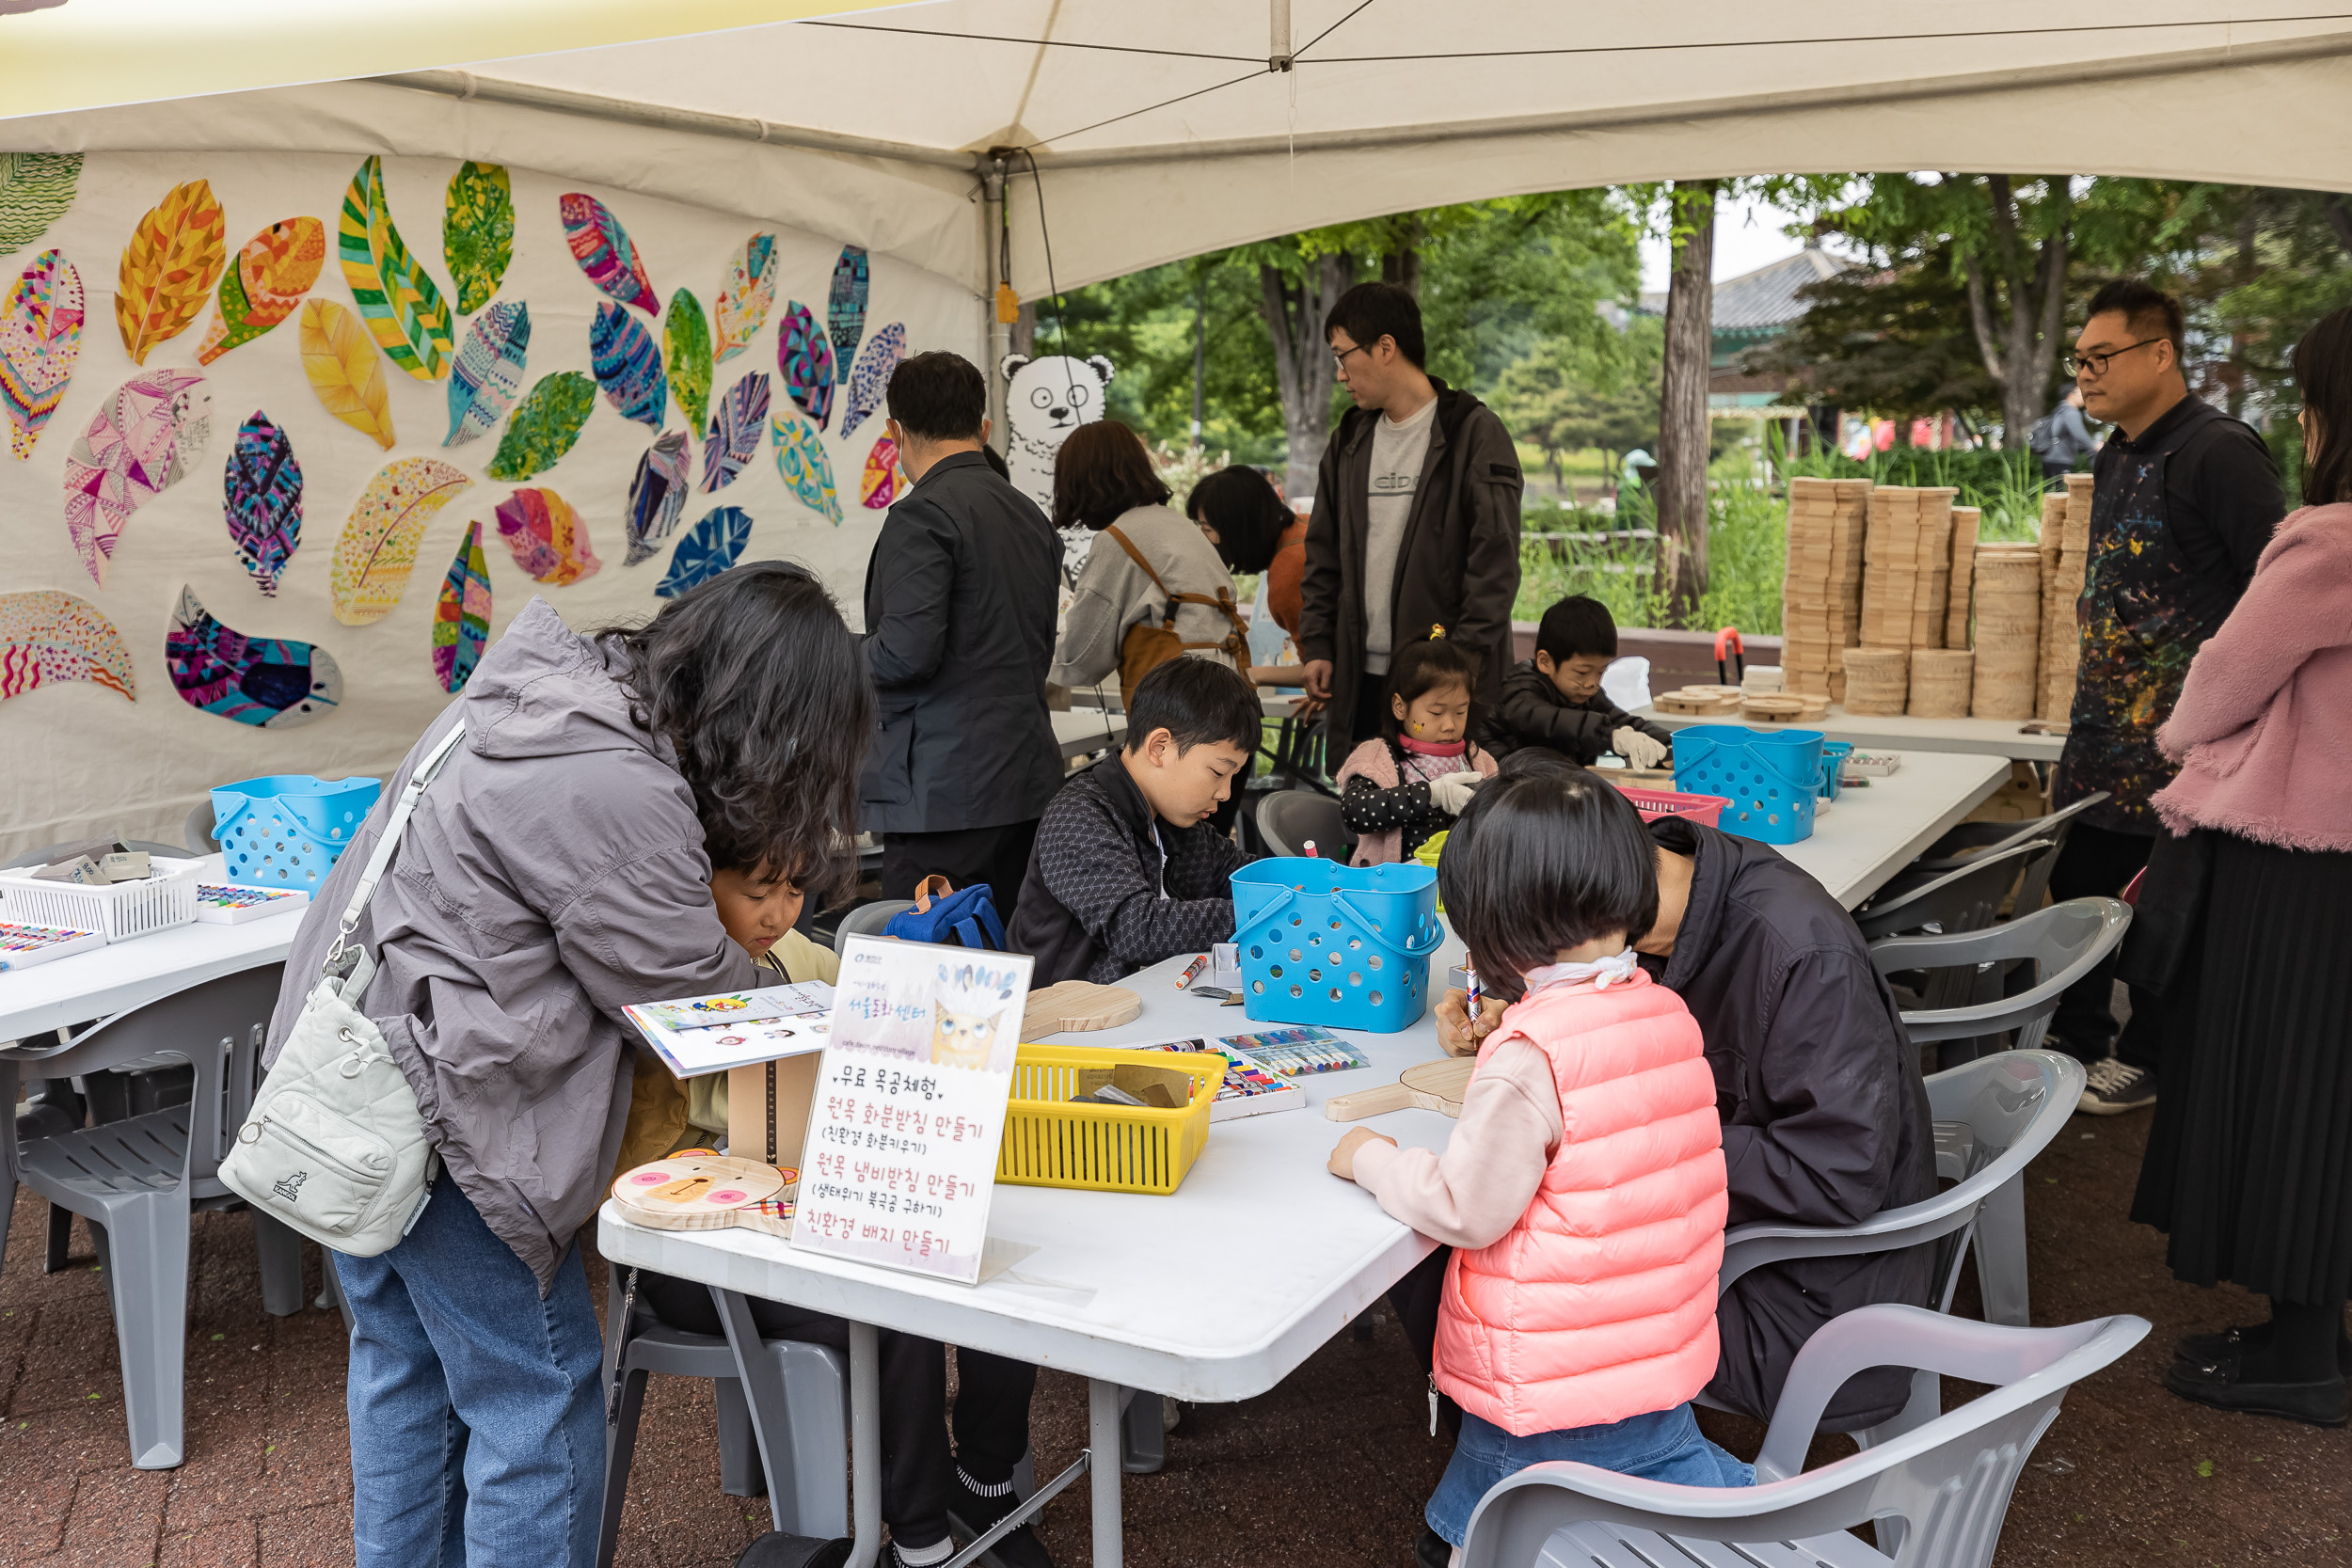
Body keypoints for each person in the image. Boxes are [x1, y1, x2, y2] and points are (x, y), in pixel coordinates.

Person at [262, 565, 872, 1567]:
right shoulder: (618, 783)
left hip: (348, 1074)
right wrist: (804, 989)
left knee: (405, 1369)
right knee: (535, 1399)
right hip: (446, 1114)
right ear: (775, 728)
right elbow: (695, 1001)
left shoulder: (553, 691)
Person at [1422, 748, 1935, 1433]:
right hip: (1720, 1237)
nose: (1511, 969)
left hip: (1803, 1296)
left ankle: (1519, 1494)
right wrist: (1516, 1008)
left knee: (1482, 1252)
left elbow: (1836, 1173)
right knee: (1484, 1217)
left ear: (1558, 906)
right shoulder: (1636, 912)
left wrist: (1625, 1132)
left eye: (1511, 947)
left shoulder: (1801, 954)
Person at [1328, 768, 1751, 1568]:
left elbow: (1465, 1206)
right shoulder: (1663, 1006)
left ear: (1494, 926)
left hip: (1545, 1395)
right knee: (1644, 1485)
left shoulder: (1529, 1056)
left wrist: (1374, 1159)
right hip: (1658, 1363)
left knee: (1480, 1534)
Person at [626, 854, 1053, 1568]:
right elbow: (728, 1109)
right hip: (687, 1247)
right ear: (699, 884)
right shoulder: (670, 970)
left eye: (794, 890)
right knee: (886, 1309)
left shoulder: (798, 955)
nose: (778, 912)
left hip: (794, 1216)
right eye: (756, 892)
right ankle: (923, 1538)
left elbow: (873, 1014)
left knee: (966, 1248)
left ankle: (980, 1478)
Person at [2128, 303, 2352, 1429]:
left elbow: (2218, 681)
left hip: (2296, 866)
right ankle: (2308, 1335)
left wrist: (2179, 742)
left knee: (2281, 1095)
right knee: (2329, 1099)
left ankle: (2303, 1357)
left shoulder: (2328, 541)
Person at [2051, 279, 2286, 1115]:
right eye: (2078, 360)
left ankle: (2149, 1054)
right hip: (2100, 734)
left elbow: (2279, 588)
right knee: (2078, 884)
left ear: (2161, 353)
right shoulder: (2117, 452)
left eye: (2101, 357)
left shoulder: (2219, 452)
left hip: (2185, 743)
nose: (2086, 374)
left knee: (2164, 904)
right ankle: (2075, 1042)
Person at [862, 350, 1065, 926]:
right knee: (1009, 958)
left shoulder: (921, 515)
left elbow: (905, 652)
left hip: (942, 794)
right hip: (1025, 778)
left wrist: (830, 655)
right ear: (984, 427)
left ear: (894, 432)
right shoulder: (1029, 514)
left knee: (926, 971)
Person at [1297, 280, 1523, 753]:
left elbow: (1494, 566)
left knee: (1449, 818)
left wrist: (1454, 670)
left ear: (1385, 347)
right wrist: (1318, 645)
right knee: (1365, 813)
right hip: (1361, 681)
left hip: (1442, 693)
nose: (1340, 374)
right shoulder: (1349, 441)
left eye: (1343, 356)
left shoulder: (1472, 432)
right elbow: (1321, 554)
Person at [1009, 657, 1259, 987]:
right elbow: (1136, 929)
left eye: (1233, 776)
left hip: (1148, 1002)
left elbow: (1244, 877)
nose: (1225, 792)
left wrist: (1309, 887)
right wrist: (1264, 911)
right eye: (1217, 772)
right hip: (1068, 1017)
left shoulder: (1175, 821)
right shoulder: (1078, 817)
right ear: (1160, 747)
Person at [1048, 420, 1248, 701]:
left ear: (1081, 483)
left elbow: (1079, 661)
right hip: (1230, 699)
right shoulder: (1180, 526)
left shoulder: (1118, 539)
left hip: (1178, 711)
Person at [1335, 638, 1499, 864]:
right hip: (1394, 887)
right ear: (1400, 707)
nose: (1449, 724)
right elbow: (1356, 811)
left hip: (1460, 885)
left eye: (1460, 712)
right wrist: (1433, 794)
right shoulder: (1377, 756)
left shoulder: (1478, 760)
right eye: (1436, 713)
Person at [1490, 594, 1674, 767]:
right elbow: (1550, 721)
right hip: (1510, 788)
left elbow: (1623, 723)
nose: (1592, 683)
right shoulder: (1518, 692)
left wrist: (1676, 745)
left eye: (1600, 672)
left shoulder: (1586, 694)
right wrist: (1611, 737)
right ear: (1545, 662)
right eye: (1581, 672)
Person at [1189, 464, 1312, 690]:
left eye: (1206, 529)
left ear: (1236, 530)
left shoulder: (1291, 571)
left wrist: (1239, 674)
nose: (1203, 539)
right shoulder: (1305, 525)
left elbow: (1317, 671)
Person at [2030, 385, 2100, 483]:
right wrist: (2093, 445)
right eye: (2081, 393)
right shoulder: (2071, 412)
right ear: (2071, 396)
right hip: (2060, 459)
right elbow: (2079, 434)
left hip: (2049, 457)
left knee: (2051, 493)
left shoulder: (2059, 411)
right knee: (2062, 493)